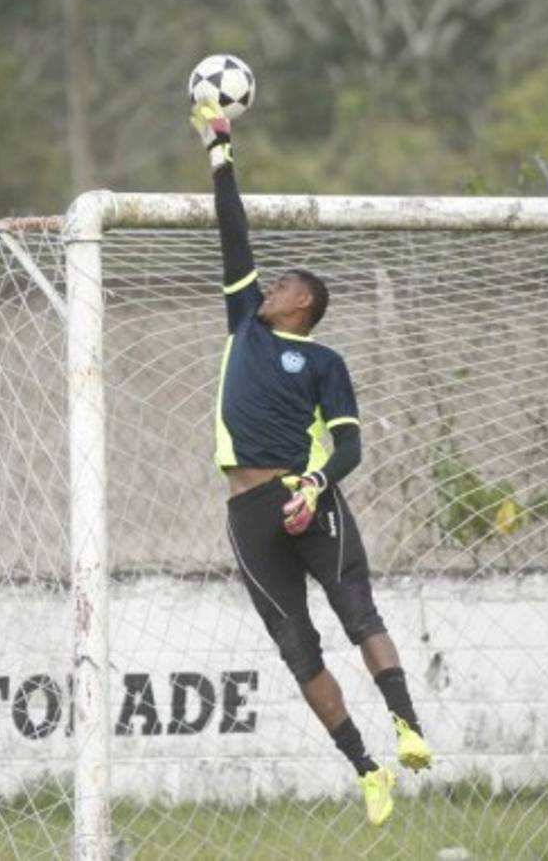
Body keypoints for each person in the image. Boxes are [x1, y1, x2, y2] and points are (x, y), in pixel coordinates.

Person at [190, 97, 432, 826]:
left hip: (308, 494)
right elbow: (234, 238)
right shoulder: (245, 324)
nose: (268, 288)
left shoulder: (324, 360)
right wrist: (219, 150)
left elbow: (350, 444)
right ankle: (365, 769)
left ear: (305, 303)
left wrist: (314, 484)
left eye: (283, 285)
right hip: (246, 509)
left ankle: (407, 727)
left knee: (356, 612)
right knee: (297, 647)